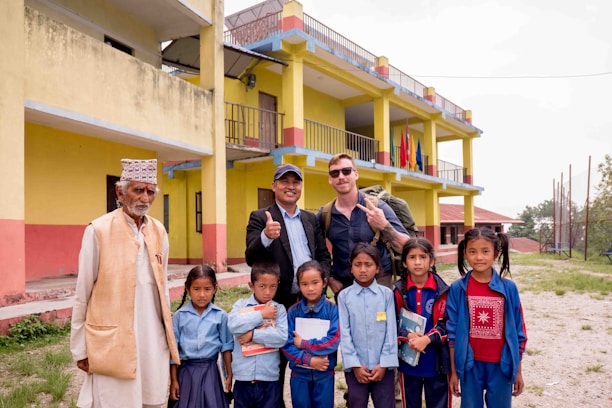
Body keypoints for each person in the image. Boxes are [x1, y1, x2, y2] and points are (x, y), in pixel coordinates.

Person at [70, 158, 180, 408]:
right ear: (120, 192)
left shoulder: (159, 231)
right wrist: (80, 349)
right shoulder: (98, 230)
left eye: (150, 191)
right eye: (138, 190)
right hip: (112, 339)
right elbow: (82, 293)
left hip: (152, 336)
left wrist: (167, 338)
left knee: (150, 398)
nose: (145, 198)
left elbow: (162, 289)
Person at [245, 163, 332, 407]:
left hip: (309, 303)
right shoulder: (260, 217)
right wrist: (266, 236)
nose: (290, 186)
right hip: (278, 303)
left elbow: (323, 256)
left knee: (309, 358)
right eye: (284, 181)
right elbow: (250, 257)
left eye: (296, 182)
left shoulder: (310, 218)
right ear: (274, 186)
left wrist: (319, 286)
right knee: (276, 362)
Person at [445, 228, 528, 408]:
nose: (479, 257)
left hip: (501, 365)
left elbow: (519, 332)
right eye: (472, 251)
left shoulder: (509, 289)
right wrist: (454, 371)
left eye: (485, 251)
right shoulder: (458, 289)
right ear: (465, 253)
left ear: (495, 253)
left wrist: (517, 371)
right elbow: (452, 334)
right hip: (469, 366)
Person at [317, 153, 410, 294]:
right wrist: (330, 280)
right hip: (344, 286)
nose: (341, 177)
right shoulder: (325, 213)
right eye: (335, 173)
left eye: (346, 171)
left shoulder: (378, 207)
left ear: (356, 174)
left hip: (379, 283)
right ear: (330, 179)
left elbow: (407, 247)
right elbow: (316, 251)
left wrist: (384, 225)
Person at [338, 242, 399, 408]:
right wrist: (355, 365)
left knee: (386, 403)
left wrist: (384, 363)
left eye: (368, 265)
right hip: (356, 368)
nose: (363, 269)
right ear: (351, 268)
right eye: (358, 265)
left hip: (383, 368)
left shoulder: (387, 294)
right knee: (357, 403)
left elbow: (391, 331)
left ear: (378, 268)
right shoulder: (344, 297)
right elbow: (344, 333)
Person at [393, 238, 451, 408]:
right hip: (408, 362)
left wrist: (427, 339)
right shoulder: (397, 291)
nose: (417, 262)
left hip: (436, 362)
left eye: (423, 257)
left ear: (431, 261)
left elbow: (449, 324)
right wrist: (408, 335)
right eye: (412, 257)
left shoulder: (444, 291)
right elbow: (391, 325)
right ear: (404, 262)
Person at [169, 264, 233, 408]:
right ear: (187, 288)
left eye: (207, 289)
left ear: (215, 288)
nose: (202, 294)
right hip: (186, 373)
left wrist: (228, 374)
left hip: (211, 372)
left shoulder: (220, 316)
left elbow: (226, 347)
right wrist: (174, 380)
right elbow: (174, 352)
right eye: (196, 289)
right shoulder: (179, 317)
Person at [228, 260, 289, 408]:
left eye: (273, 286)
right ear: (251, 285)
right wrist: (261, 315)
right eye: (262, 286)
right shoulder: (240, 306)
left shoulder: (279, 310)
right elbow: (233, 325)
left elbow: (281, 337)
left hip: (269, 379)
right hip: (243, 378)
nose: (268, 292)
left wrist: (252, 335)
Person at [282, 260, 340, 408]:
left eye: (315, 282)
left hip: (324, 374)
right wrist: (308, 360)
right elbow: (287, 344)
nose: (310, 288)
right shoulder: (293, 312)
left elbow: (333, 341)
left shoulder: (333, 310)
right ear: (298, 285)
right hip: (300, 375)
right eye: (305, 284)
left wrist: (304, 344)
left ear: (324, 282)